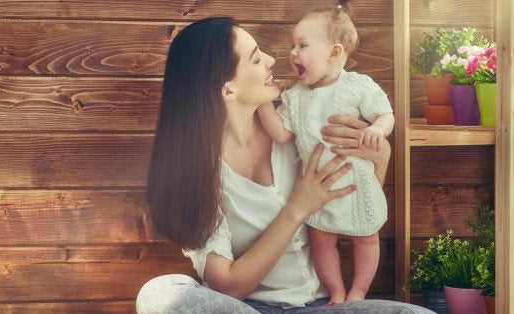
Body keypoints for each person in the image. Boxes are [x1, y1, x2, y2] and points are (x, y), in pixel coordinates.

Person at [137, 16, 432, 313]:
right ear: (227, 90)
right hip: (249, 308)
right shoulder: (197, 173)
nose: (271, 59)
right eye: (255, 59)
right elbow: (228, 285)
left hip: (326, 305)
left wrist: (379, 154)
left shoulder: (301, 128)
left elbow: (352, 201)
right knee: (162, 293)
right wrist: (297, 207)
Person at [257, 0, 395, 304]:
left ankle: (358, 291)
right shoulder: (294, 97)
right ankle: (336, 290)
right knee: (321, 241)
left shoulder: (358, 86)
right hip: (318, 187)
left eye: (303, 45)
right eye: (293, 44)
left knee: (368, 239)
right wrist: (262, 101)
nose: (293, 52)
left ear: (335, 52)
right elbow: (280, 133)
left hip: (357, 184)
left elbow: (386, 114)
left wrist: (376, 130)